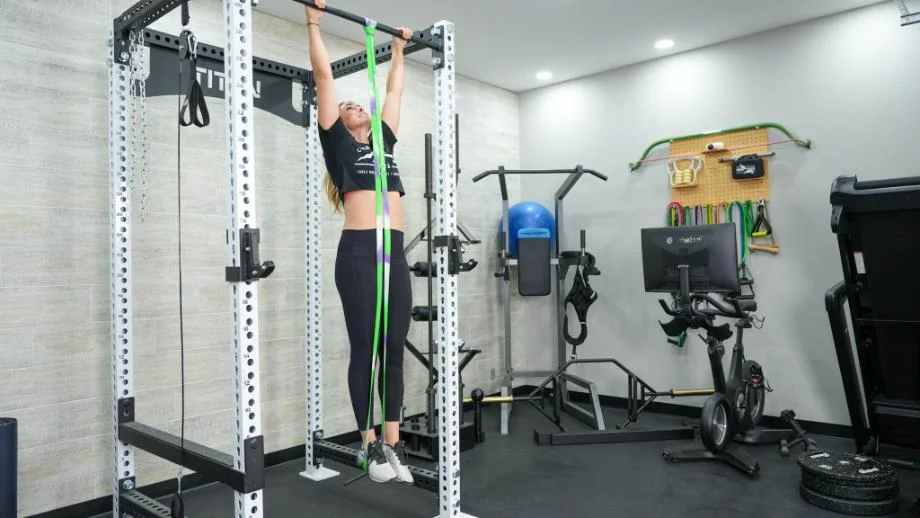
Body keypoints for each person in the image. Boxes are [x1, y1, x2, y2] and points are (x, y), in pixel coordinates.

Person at [306, 1, 414, 485]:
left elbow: (393, 87)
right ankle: (367, 445)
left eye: (356, 103)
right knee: (364, 350)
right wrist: (313, 22)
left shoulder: (385, 140)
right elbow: (325, 79)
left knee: (394, 346)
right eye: (345, 106)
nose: (351, 105)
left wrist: (398, 49)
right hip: (358, 253)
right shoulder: (338, 145)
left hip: (395, 251)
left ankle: (394, 444)